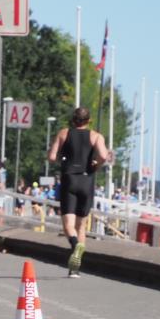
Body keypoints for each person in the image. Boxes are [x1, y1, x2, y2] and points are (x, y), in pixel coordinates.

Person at [48, 106, 112, 277]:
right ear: (89, 120)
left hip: (69, 179)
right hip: (87, 180)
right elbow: (104, 156)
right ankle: (75, 269)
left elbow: (52, 157)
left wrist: (61, 158)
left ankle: (76, 245)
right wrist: (95, 165)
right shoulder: (96, 136)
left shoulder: (63, 133)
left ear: (73, 120)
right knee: (81, 225)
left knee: (68, 225)